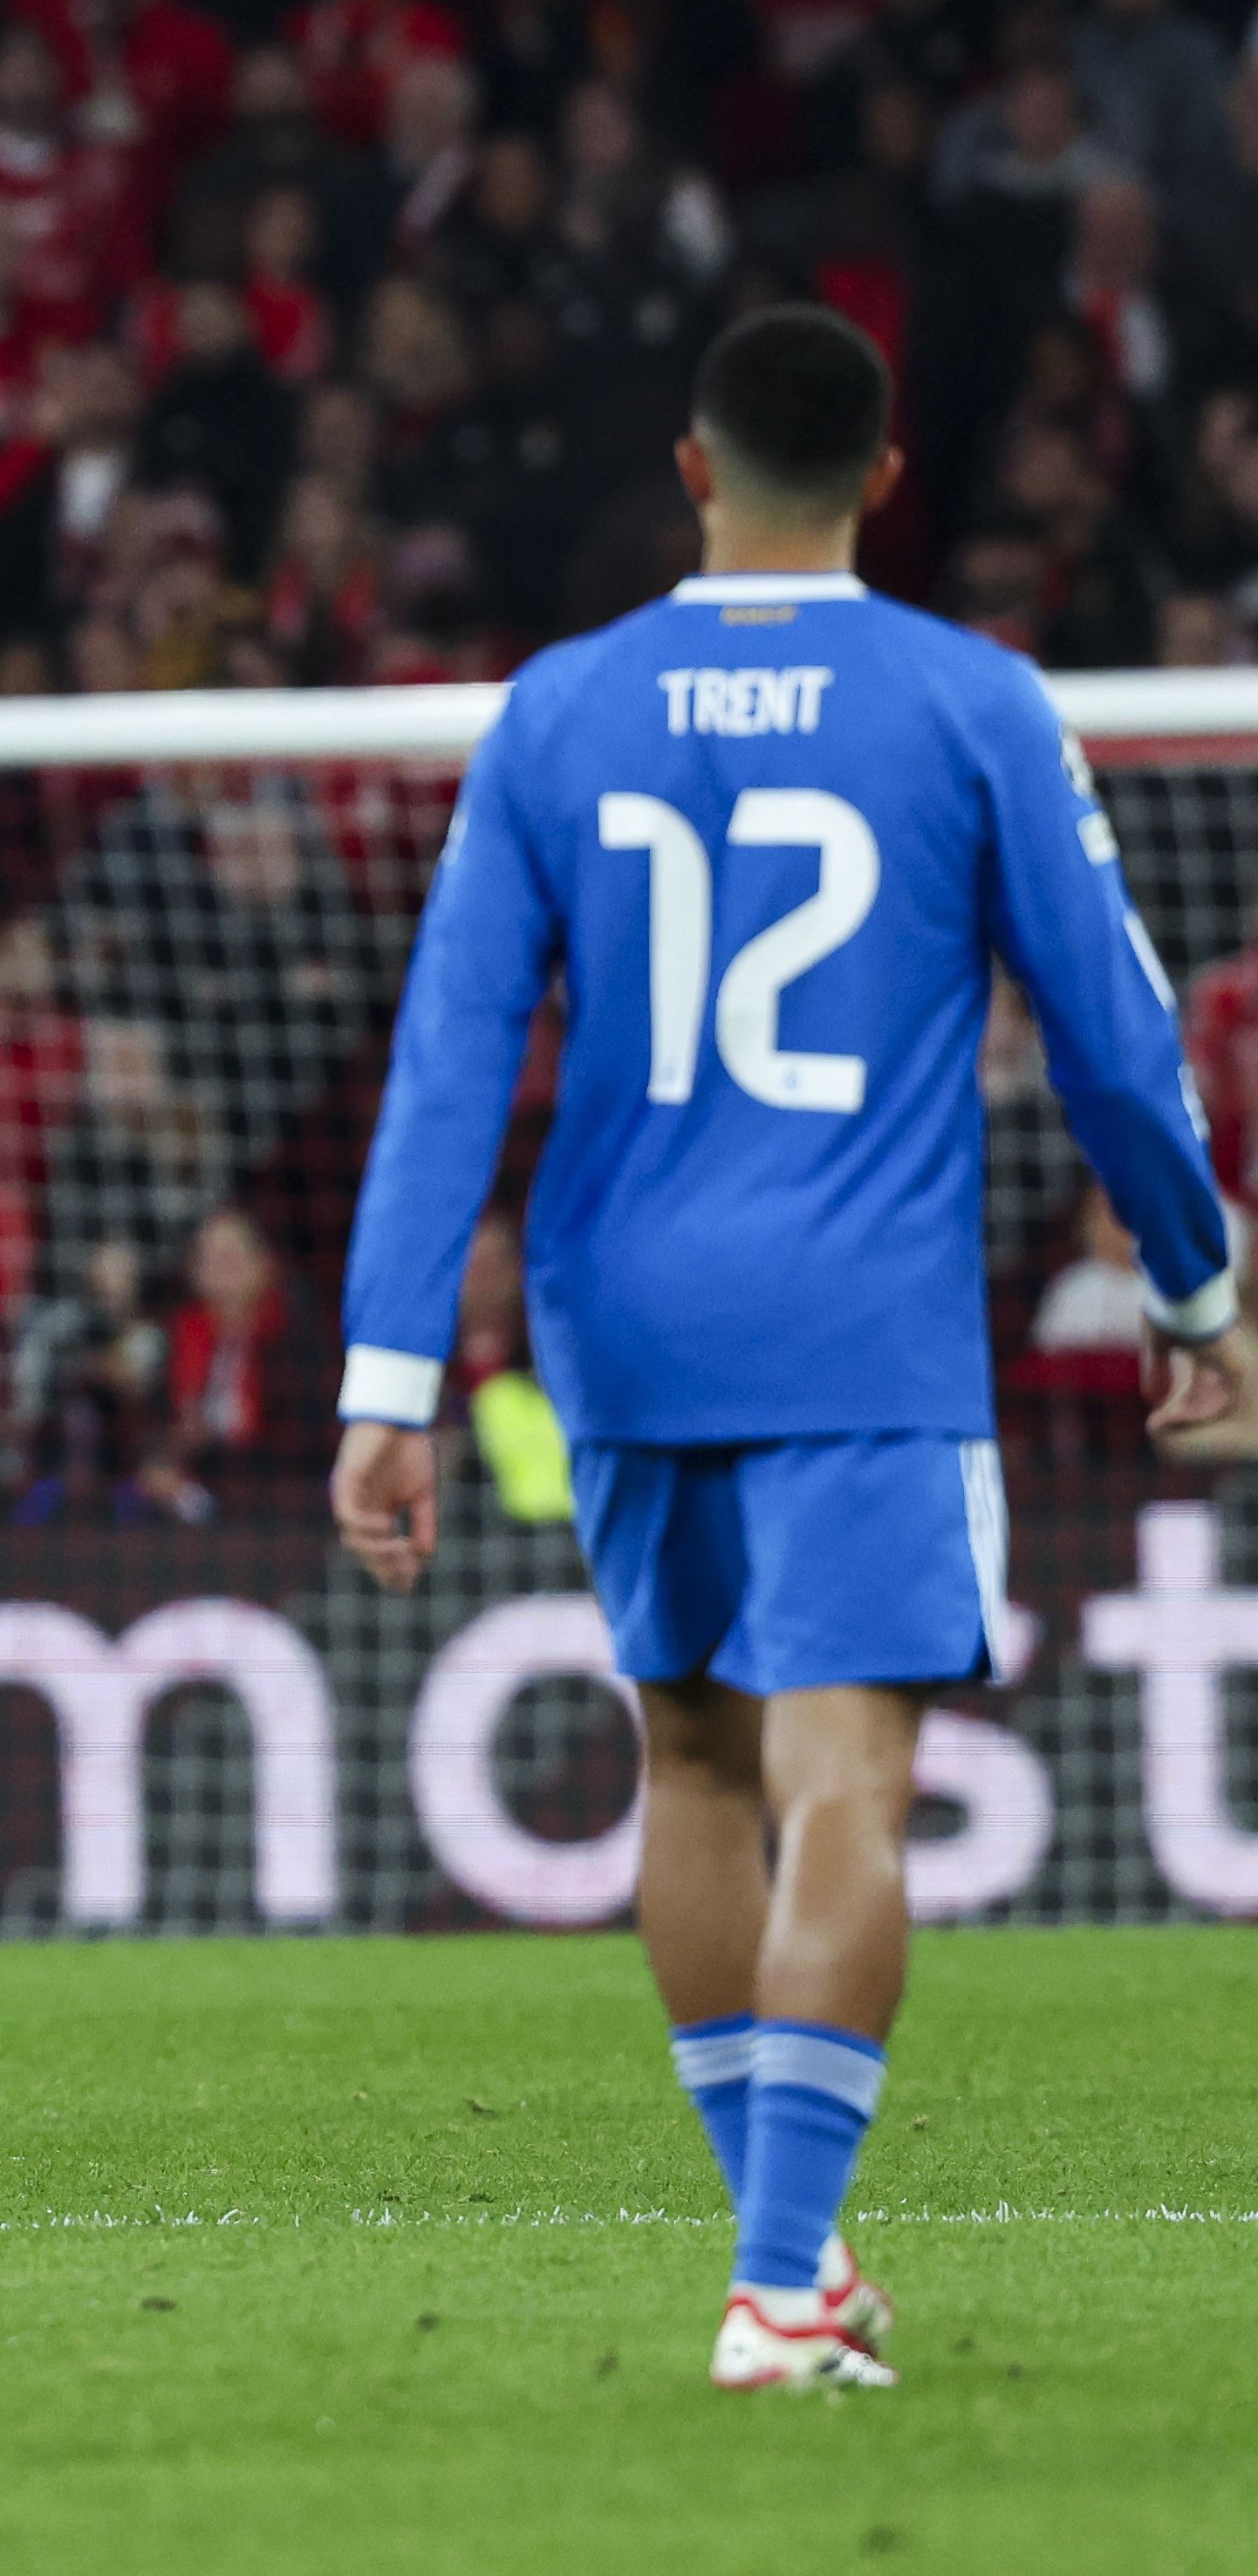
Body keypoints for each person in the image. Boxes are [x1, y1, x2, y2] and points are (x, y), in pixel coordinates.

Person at [331, 305, 1258, 2394]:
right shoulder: (967, 701)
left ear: (684, 468)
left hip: (615, 1311)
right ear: (883, 475)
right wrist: (1193, 1289)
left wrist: (383, 1378)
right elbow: (1114, 1042)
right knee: (845, 1773)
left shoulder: (554, 713)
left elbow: (445, 1061)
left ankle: (794, 2248)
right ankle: (767, 2281)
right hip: (858, 1310)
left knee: (685, 1752)